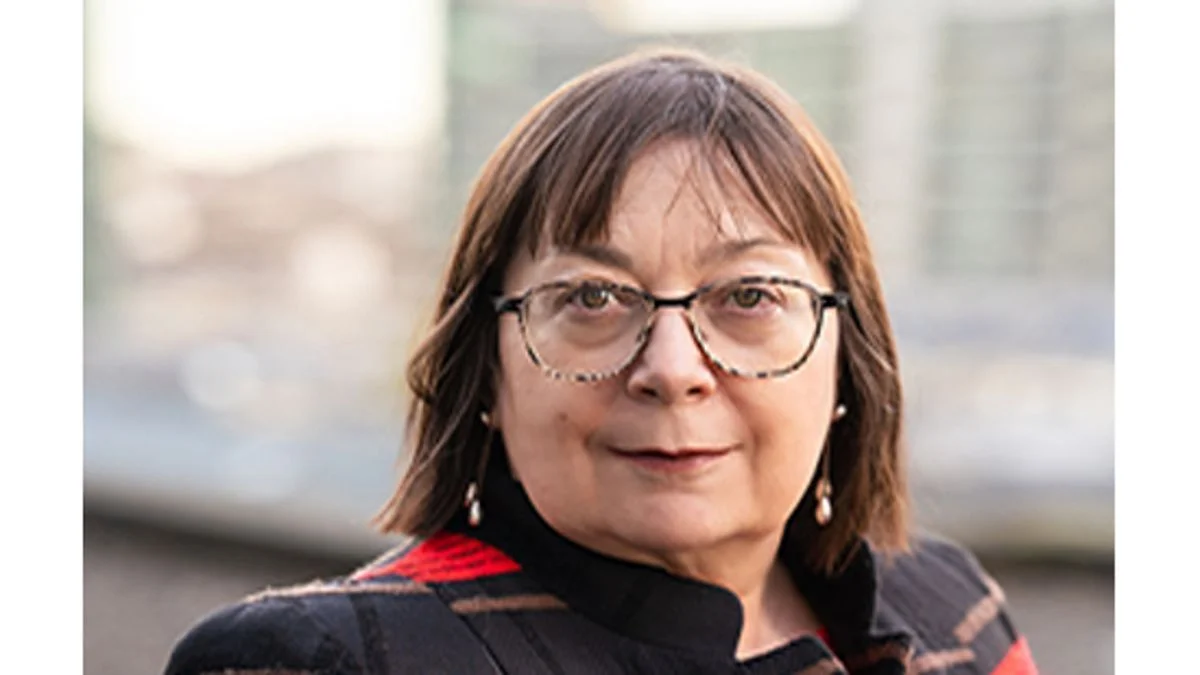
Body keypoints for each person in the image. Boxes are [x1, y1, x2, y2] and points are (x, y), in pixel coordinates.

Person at [165, 48, 1039, 674]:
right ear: (487, 368)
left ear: (847, 357)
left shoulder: (954, 611)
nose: (673, 368)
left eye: (748, 295)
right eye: (592, 297)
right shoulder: (337, 659)